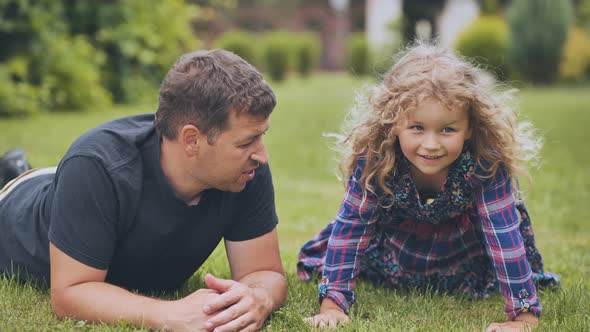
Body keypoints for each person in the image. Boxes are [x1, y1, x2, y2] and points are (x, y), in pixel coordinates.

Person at [0, 49, 286, 332]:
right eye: (246, 142)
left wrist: (258, 296)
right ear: (191, 140)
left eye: (261, 137)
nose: (261, 155)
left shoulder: (246, 169)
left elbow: (265, 272)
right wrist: (169, 314)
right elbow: (70, 293)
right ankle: (16, 169)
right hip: (17, 204)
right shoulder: (96, 166)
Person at [297, 42, 559, 331]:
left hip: (464, 257)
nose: (431, 144)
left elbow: (504, 236)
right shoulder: (375, 159)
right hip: (394, 251)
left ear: (470, 127)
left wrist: (524, 316)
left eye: (448, 129)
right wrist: (332, 304)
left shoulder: (486, 165)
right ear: (393, 122)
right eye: (417, 128)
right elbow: (351, 227)